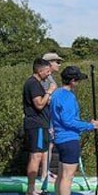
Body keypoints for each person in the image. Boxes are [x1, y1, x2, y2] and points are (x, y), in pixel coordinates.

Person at [49, 66, 98, 195]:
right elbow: (68, 120)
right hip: (69, 139)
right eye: (77, 80)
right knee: (68, 177)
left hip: (59, 138)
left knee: (61, 176)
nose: (78, 83)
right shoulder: (68, 97)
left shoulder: (56, 93)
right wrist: (90, 126)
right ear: (72, 81)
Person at [23, 58, 56, 195]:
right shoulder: (33, 84)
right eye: (47, 72)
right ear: (39, 70)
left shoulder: (36, 84)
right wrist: (49, 92)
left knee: (41, 154)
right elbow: (39, 105)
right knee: (35, 156)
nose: (48, 75)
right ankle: (30, 191)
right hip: (36, 125)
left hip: (42, 124)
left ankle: (36, 187)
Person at [40, 52, 63, 186]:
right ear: (49, 63)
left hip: (50, 115)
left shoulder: (50, 79)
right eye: (57, 62)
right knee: (47, 144)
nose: (59, 65)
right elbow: (43, 98)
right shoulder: (46, 79)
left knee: (50, 144)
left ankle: (46, 172)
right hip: (45, 115)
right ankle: (44, 175)